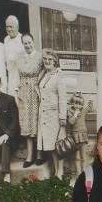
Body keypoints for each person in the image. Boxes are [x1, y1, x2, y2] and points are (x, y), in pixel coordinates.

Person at [35, 49, 67, 178]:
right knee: (51, 145)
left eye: (50, 59)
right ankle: (56, 170)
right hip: (44, 115)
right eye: (45, 59)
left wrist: (62, 117)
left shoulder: (59, 76)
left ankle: (60, 172)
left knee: (58, 144)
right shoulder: (43, 74)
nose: (47, 62)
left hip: (55, 115)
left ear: (55, 62)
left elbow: (63, 98)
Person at [15, 33, 42, 168]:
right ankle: (30, 155)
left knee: (37, 121)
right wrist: (16, 91)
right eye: (25, 43)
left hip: (36, 91)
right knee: (26, 122)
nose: (28, 45)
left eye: (29, 42)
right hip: (24, 92)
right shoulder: (19, 57)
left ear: (33, 42)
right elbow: (16, 75)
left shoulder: (40, 56)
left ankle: (40, 154)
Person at [67, 93, 94, 174]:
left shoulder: (83, 110)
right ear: (72, 102)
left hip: (83, 135)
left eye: (79, 104)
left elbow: (89, 108)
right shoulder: (70, 111)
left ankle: (84, 173)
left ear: (82, 105)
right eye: (76, 103)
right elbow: (71, 122)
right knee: (77, 158)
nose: (77, 106)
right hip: (74, 136)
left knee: (83, 157)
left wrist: (91, 98)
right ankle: (79, 174)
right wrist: (75, 115)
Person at [4, 15, 25, 98]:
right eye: (7, 26)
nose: (9, 29)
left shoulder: (22, 39)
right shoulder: (6, 39)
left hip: (20, 76)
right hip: (10, 75)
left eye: (11, 26)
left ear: (17, 27)